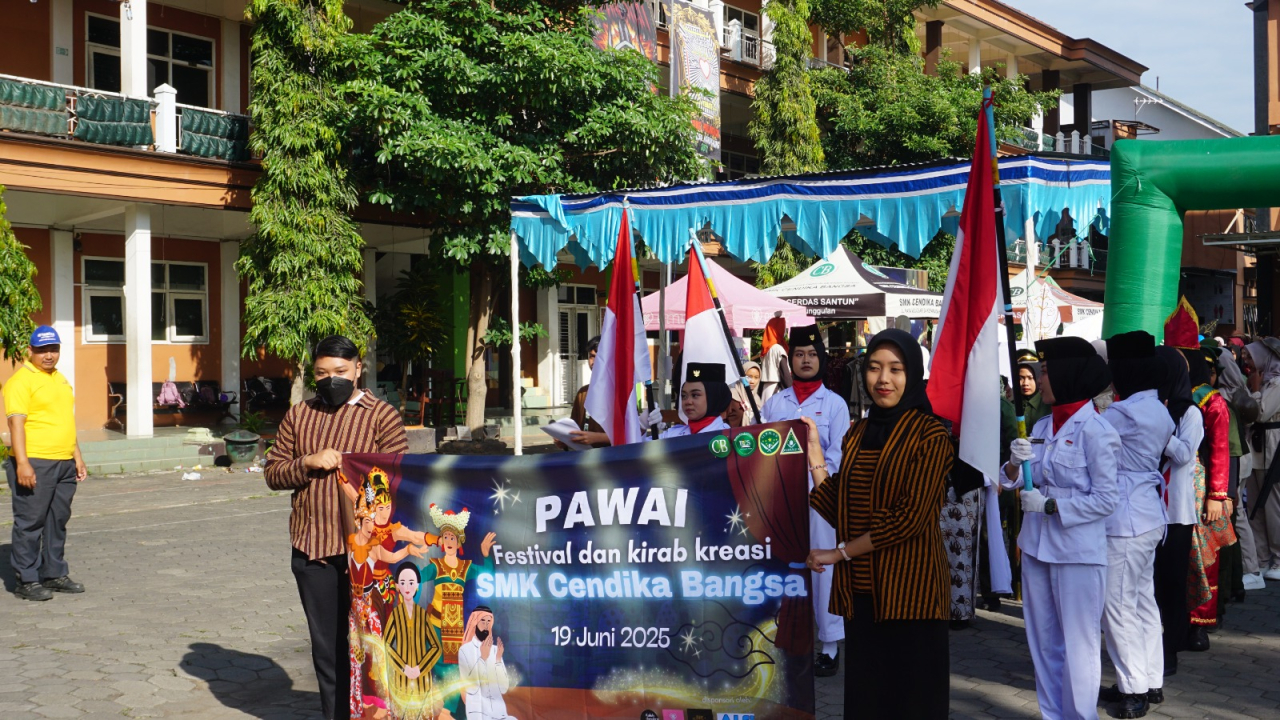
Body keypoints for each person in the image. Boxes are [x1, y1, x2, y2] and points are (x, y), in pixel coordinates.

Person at [806, 328, 954, 719]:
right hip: (863, 595)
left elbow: (908, 518)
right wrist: (816, 455)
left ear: (913, 375)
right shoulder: (856, 434)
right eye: (873, 368)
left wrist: (839, 553)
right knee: (867, 700)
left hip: (912, 593)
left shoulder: (931, 435)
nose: (883, 379)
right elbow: (841, 505)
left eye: (895, 369)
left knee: (912, 702)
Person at [265, 334, 409, 720]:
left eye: (341, 372)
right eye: (322, 373)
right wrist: (307, 462)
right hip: (313, 549)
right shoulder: (299, 415)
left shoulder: (382, 415)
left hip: (367, 556)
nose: (332, 379)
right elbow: (273, 474)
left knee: (371, 644)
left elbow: (400, 479)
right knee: (327, 649)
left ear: (359, 369)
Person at [1004, 337, 1119, 720]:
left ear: (1069, 374)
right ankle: (1053, 715)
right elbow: (1013, 481)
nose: (1040, 376)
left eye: (1047, 370)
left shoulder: (1097, 432)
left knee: (1079, 644)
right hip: (1037, 547)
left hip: (1077, 552)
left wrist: (1052, 505)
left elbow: (1107, 500)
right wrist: (1011, 463)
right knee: (1043, 643)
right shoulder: (1040, 424)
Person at [762, 325, 851, 677]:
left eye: (812, 354)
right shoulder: (775, 403)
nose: (805, 360)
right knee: (784, 569)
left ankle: (829, 645)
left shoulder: (835, 404)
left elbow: (839, 453)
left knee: (822, 569)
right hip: (780, 499)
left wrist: (808, 474)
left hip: (820, 499)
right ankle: (784, 639)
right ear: (790, 360)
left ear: (822, 359)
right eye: (799, 354)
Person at [1096, 331, 1173, 719]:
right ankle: (1150, 678)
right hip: (1148, 515)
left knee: (1118, 606)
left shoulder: (1121, 413)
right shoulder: (1157, 408)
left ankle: (1133, 688)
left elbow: (1090, 441)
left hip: (1125, 519)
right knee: (1143, 602)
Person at [2, 326, 86, 602]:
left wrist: (77, 456)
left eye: (53, 349)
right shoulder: (20, 381)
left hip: (63, 462)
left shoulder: (60, 380)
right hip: (35, 461)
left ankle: (54, 573)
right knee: (30, 522)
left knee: (57, 521)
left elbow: (65, 421)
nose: (48, 355)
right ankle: (26, 579)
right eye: (41, 350)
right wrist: (22, 463)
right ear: (30, 351)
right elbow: (16, 424)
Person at [1151, 346, 1201, 679]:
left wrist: (1159, 432)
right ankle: (1151, 649)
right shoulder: (1150, 408)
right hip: (1150, 510)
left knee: (1171, 584)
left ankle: (1171, 651)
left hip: (1177, 512)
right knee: (1151, 584)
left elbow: (1183, 454)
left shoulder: (1190, 413)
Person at [382, 563, 444, 720]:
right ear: (397, 586)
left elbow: (436, 647)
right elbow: (386, 645)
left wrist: (419, 668)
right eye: (402, 583)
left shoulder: (423, 615)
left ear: (417, 584)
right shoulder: (395, 615)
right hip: (400, 681)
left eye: (411, 582)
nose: (407, 587)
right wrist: (403, 668)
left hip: (422, 681)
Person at [1243, 337, 1280, 581]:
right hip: (1255, 450)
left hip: (1272, 448)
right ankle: (1263, 557)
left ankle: (1278, 558)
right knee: (1255, 507)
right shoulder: (1259, 381)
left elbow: (1262, 413)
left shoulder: (1276, 383)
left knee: (1274, 507)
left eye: (1250, 356)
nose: (1246, 361)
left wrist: (1255, 390)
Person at [458, 606, 516, 720]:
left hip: (499, 713)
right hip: (478, 713)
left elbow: (504, 688)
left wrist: (498, 660)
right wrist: (482, 659)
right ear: (475, 623)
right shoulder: (465, 650)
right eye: (482, 621)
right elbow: (471, 688)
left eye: (489, 621)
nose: (486, 625)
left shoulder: (495, 650)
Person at [651, 362, 732, 439]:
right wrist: (642, 427)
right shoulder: (673, 435)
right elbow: (640, 447)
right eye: (684, 396)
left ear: (713, 397)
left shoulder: (728, 437)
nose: (688, 402)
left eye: (695, 395)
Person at [566, 336, 610, 448]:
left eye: (599, 357)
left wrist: (596, 437)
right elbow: (574, 428)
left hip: (612, 459)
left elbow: (630, 434)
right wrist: (564, 440)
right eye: (592, 357)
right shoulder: (583, 393)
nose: (594, 362)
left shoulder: (621, 393)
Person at [759, 316, 791, 403]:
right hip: (776, 389)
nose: (784, 331)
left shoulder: (766, 349)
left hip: (766, 388)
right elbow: (784, 373)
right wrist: (792, 391)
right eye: (783, 328)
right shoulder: (778, 349)